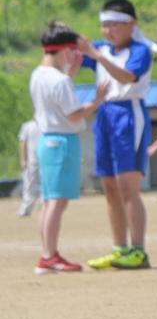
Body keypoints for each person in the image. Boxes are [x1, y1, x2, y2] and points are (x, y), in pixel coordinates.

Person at [79, 0, 156, 270]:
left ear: (131, 25)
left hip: (129, 112)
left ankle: (138, 249)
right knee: (109, 185)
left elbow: (127, 77)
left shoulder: (140, 50)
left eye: (114, 25)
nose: (108, 31)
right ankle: (119, 247)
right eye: (104, 25)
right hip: (105, 114)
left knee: (128, 185)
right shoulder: (101, 48)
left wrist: (98, 56)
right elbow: (75, 60)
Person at [30, 23, 110, 272]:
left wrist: (71, 73)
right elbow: (75, 115)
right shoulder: (60, 81)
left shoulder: (38, 74)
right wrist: (97, 101)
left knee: (50, 200)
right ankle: (49, 255)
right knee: (57, 201)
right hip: (62, 141)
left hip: (46, 140)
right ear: (65, 50)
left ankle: (48, 253)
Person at [17, 113, 41, 218]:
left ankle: (45, 208)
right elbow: (23, 143)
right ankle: (26, 209)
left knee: (46, 186)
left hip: (46, 160)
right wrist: (23, 159)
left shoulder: (46, 126)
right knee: (29, 185)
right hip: (31, 161)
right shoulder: (27, 126)